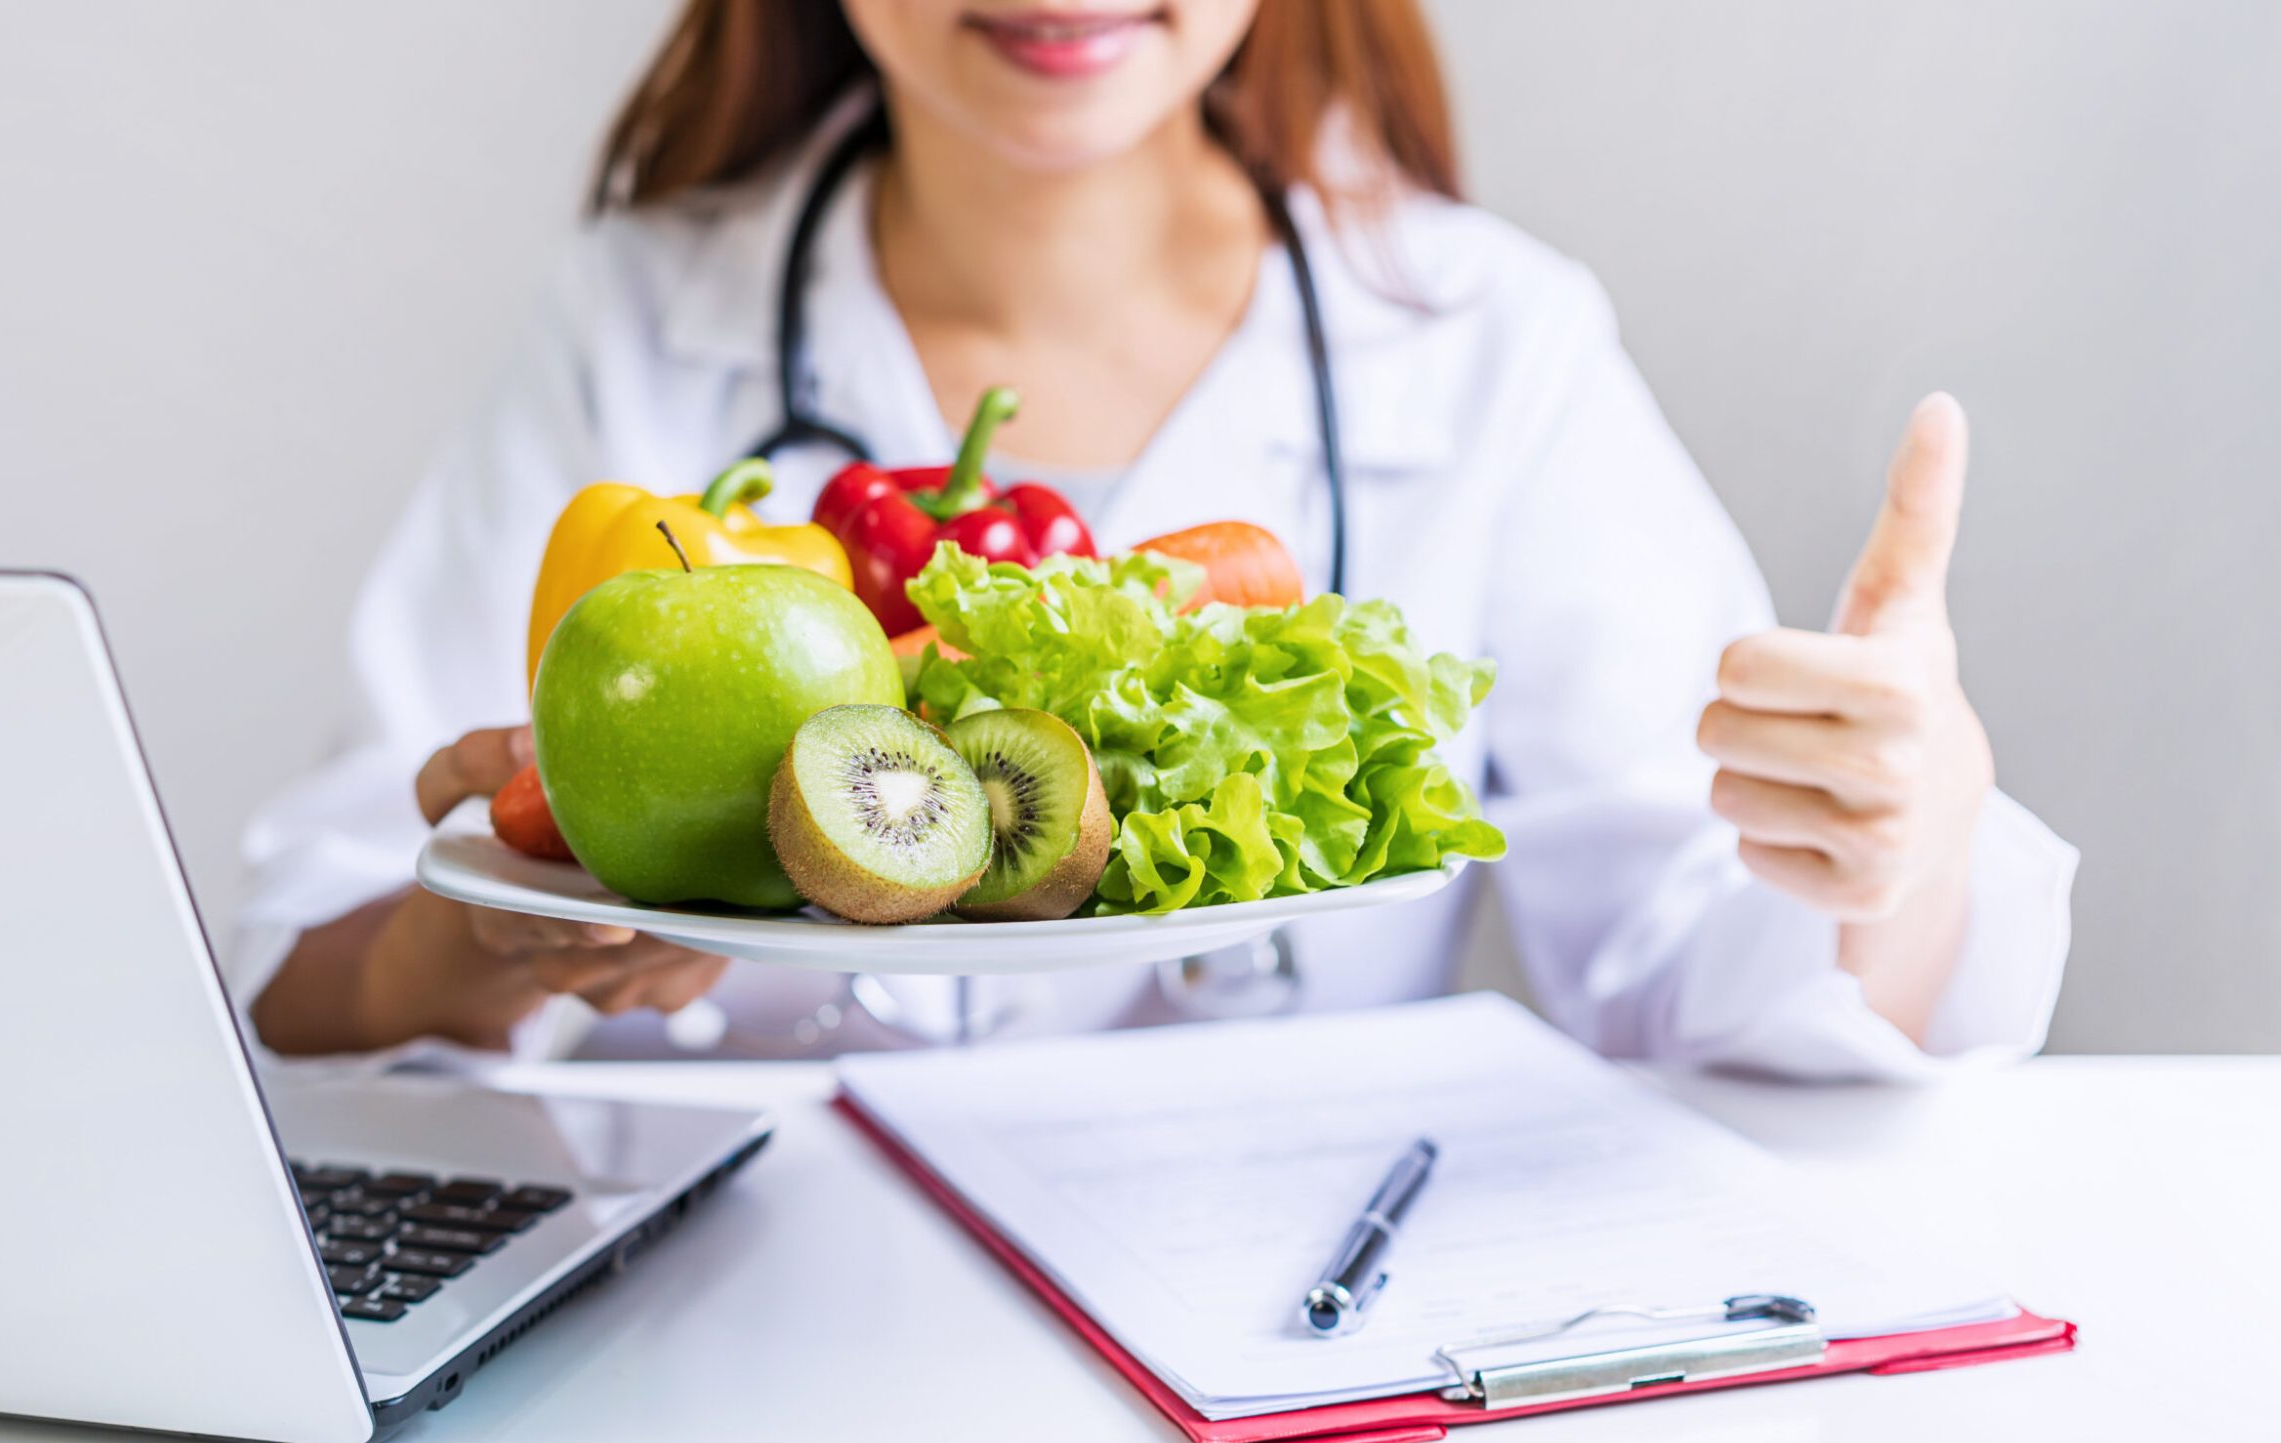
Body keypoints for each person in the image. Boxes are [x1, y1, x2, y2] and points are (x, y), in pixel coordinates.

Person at [238, 0, 2074, 1076]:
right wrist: (474, 952)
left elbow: (1717, 978)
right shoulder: (638, 325)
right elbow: (296, 982)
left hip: (1284, 1342)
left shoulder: (1486, 346)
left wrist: (1898, 844)